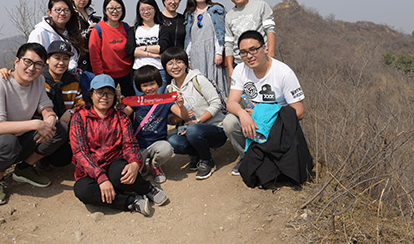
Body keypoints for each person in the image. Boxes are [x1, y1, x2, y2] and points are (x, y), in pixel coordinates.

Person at [0, 43, 66, 206]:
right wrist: (35, 124)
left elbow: (45, 106)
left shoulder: (39, 81)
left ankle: (24, 169)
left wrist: (50, 118)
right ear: (17, 61)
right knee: (7, 141)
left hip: (19, 140)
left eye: (38, 64)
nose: (32, 68)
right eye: (27, 62)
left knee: (60, 129)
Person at [70, 74, 169, 216]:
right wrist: (100, 177)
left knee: (123, 172)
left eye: (109, 93)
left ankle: (146, 188)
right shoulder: (79, 117)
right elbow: (80, 151)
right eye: (100, 92)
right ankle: (131, 201)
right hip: (90, 169)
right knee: (82, 190)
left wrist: (135, 163)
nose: (104, 97)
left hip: (114, 162)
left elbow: (130, 144)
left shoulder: (121, 117)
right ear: (91, 94)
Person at [223, 30, 305, 176]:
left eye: (253, 49)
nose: (249, 56)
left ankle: (272, 159)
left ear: (264, 48)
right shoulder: (240, 70)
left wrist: (262, 114)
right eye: (243, 52)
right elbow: (231, 102)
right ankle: (246, 156)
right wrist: (242, 113)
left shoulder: (284, 73)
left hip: (276, 124)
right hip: (252, 120)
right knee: (230, 122)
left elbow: (299, 112)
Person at [0, 40, 84, 169]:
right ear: (47, 60)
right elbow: (20, 78)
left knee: (63, 157)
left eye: (65, 59)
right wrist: (6, 71)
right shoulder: (37, 79)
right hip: (34, 130)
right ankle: (29, 164)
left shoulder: (73, 82)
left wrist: (70, 112)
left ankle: (39, 160)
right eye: (57, 58)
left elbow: (81, 105)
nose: (61, 62)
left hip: (59, 131)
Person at [162, 47, 227, 180]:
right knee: (173, 141)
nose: (175, 66)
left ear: (186, 64)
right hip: (190, 131)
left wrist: (198, 121)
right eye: (170, 63)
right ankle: (197, 153)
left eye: (179, 62)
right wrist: (179, 116)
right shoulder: (169, 89)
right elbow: (170, 119)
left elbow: (216, 103)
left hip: (215, 128)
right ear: (165, 67)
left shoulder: (198, 80)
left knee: (193, 129)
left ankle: (206, 160)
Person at [121, 65, 188, 184]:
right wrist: (120, 107)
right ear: (139, 87)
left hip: (158, 143)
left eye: (152, 84)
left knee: (167, 149)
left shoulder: (165, 100)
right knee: (134, 173)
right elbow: (123, 116)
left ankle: (155, 166)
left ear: (159, 83)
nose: (149, 88)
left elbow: (183, 116)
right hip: (139, 145)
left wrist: (181, 105)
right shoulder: (137, 101)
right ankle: (143, 165)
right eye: (144, 85)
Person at [224, 0, 276, 79]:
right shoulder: (229, 16)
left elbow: (270, 30)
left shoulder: (260, 5)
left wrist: (270, 56)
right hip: (240, 64)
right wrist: (230, 68)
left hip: (261, 60)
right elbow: (229, 43)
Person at [89, 0, 135, 97]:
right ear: (105, 11)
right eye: (111, 8)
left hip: (127, 75)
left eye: (118, 8)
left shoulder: (127, 28)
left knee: (129, 102)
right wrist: (100, 77)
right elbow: (94, 57)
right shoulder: (98, 30)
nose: (115, 11)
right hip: (106, 76)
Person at [28, 0, 85, 71]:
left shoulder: (71, 33)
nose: (62, 13)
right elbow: (31, 59)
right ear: (49, 12)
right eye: (58, 10)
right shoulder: (40, 33)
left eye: (66, 10)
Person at [126, 0, 170, 94]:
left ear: (155, 9)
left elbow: (162, 47)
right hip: (139, 72)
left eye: (149, 8)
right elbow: (130, 50)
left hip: (158, 71)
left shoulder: (162, 28)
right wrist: (151, 54)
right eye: (142, 9)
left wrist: (142, 48)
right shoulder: (133, 30)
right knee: (142, 102)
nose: (146, 12)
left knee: (158, 101)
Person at [72, 0, 101, 72]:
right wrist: (86, 33)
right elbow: (70, 35)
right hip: (77, 57)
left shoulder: (93, 17)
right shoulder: (70, 16)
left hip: (92, 55)